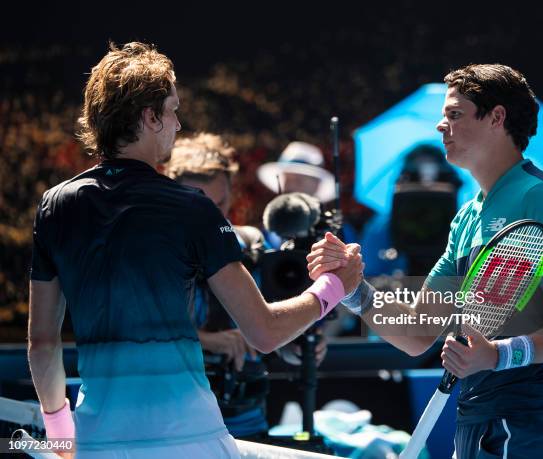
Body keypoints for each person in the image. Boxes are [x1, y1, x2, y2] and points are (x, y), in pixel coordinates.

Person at [27, 42, 362, 459]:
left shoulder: (54, 206)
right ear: (150, 118)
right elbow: (265, 332)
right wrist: (334, 286)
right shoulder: (191, 208)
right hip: (191, 440)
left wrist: (61, 434)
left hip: (97, 442)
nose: (178, 125)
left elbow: (42, 346)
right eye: (172, 110)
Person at [307, 64, 543, 458]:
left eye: (455, 114)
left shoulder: (542, 199)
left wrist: (497, 355)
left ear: (497, 117)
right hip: (475, 411)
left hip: (528, 418)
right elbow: (416, 332)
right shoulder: (467, 216)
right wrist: (353, 288)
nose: (440, 126)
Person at [164, 132, 328, 439]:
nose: (211, 216)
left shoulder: (253, 245)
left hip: (248, 416)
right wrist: (209, 341)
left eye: (220, 203)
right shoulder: (152, 254)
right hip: (178, 423)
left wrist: (298, 347)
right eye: (198, 204)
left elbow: (277, 334)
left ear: (231, 192)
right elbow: (135, 337)